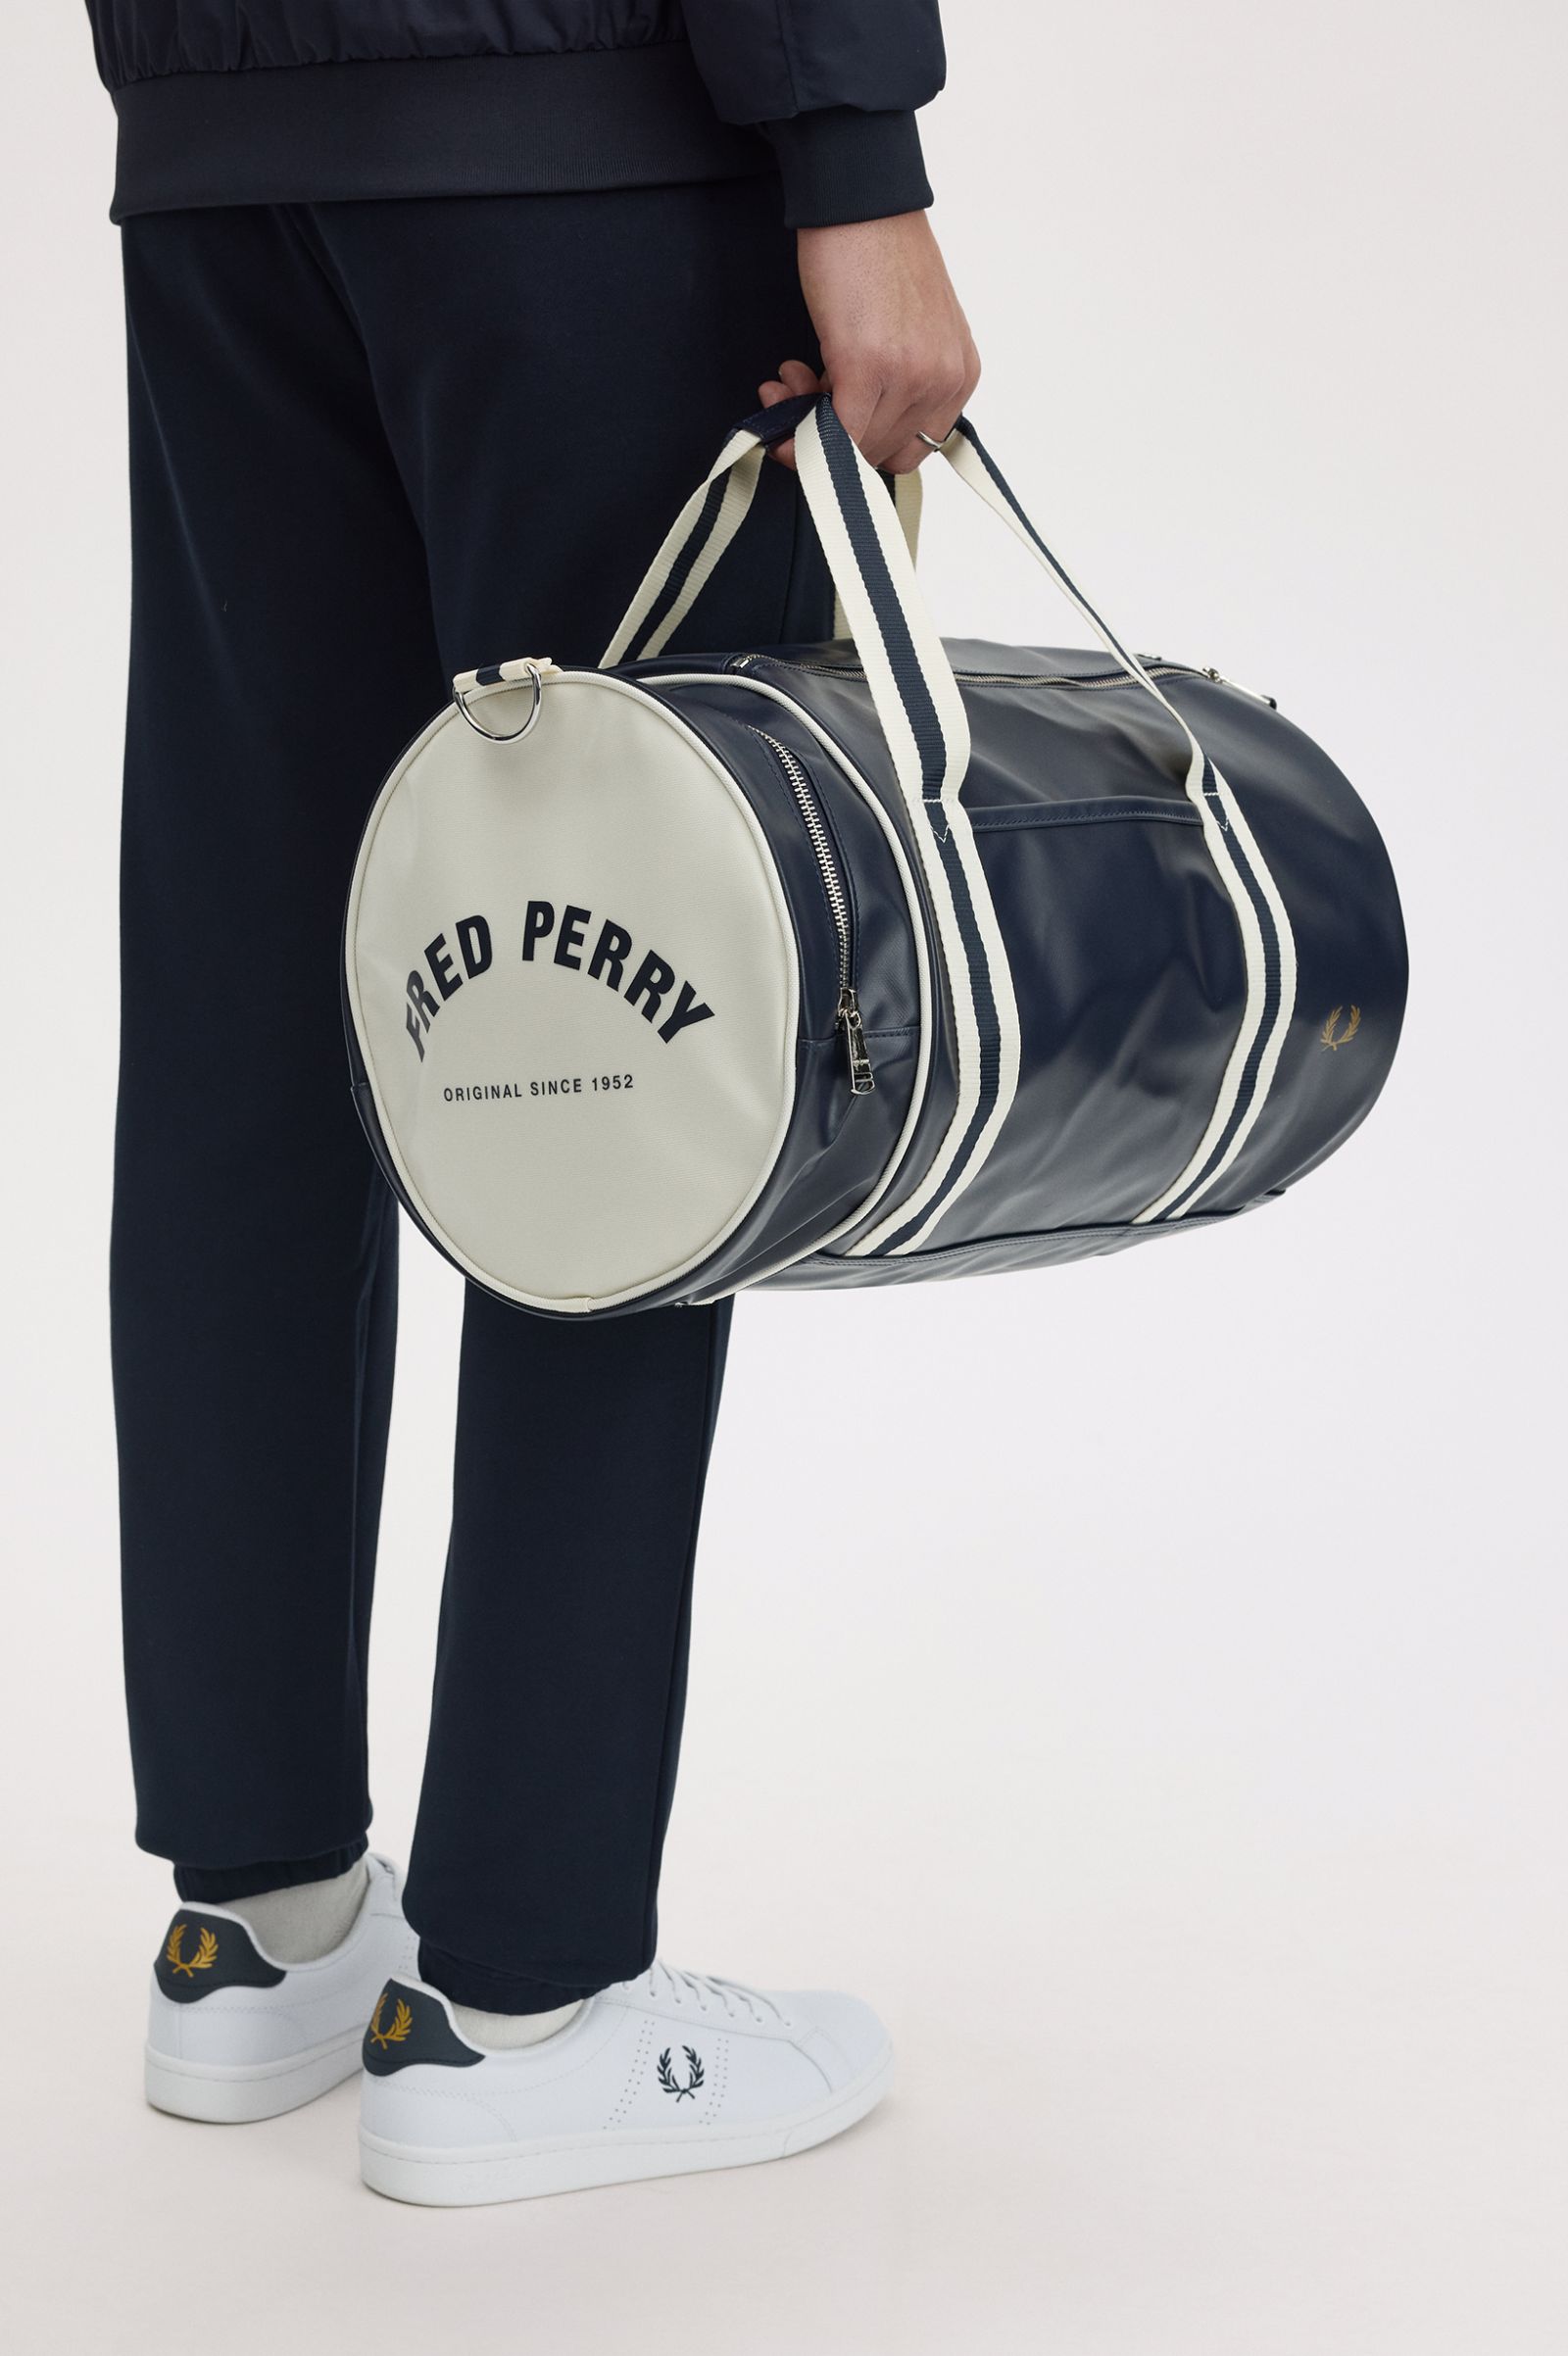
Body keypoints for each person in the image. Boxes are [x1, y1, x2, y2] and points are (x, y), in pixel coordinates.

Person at [88, 0, 979, 2205]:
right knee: (616, 1049)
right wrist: (852, 146)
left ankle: (261, 1917)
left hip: (220, 158)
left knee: (254, 1019)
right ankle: (519, 1993)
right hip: (586, 155)